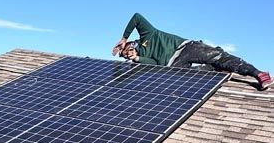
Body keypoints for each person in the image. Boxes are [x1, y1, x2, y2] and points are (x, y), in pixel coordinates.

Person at [112, 12, 270, 91]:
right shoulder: (142, 57)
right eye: (125, 56)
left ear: (130, 45)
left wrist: (124, 37)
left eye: (126, 52)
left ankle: (258, 73)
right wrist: (137, 59)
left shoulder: (148, 34)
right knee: (195, 79)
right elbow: (157, 63)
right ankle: (216, 69)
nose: (127, 55)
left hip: (184, 48)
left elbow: (137, 17)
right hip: (174, 65)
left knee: (218, 57)